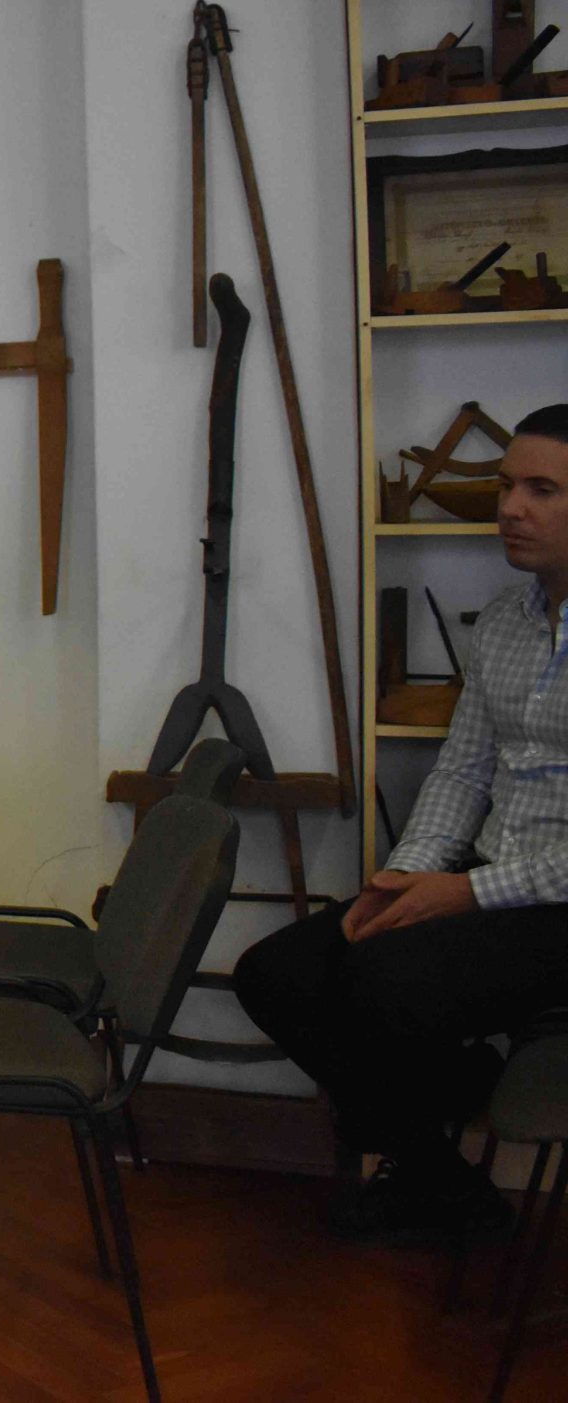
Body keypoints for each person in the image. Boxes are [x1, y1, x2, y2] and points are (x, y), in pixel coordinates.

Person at [235, 404, 568, 1245]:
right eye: (506, 486)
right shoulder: (505, 620)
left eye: (542, 490)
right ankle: (444, 1173)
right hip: (485, 879)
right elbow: (462, 771)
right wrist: (406, 878)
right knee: (275, 972)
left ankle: (430, 1149)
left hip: (553, 904)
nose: (510, 508)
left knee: (382, 983)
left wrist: (462, 894)